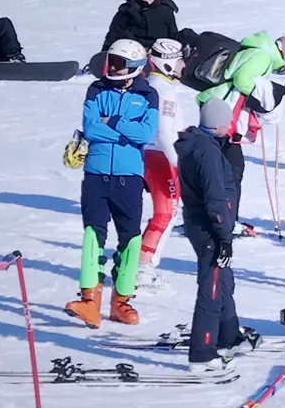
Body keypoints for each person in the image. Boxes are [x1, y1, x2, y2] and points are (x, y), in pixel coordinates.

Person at [65, 40, 160, 328]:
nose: (112, 67)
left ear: (134, 67)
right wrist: (120, 130)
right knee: (93, 235)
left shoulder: (148, 95)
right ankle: (89, 300)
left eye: (119, 63)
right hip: (96, 173)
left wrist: (114, 121)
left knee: (130, 239)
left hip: (129, 177)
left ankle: (121, 301)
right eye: (112, 61)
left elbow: (145, 133)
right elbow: (92, 127)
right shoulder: (96, 89)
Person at [176, 93, 244, 372]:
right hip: (209, 229)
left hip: (206, 224)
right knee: (212, 288)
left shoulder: (199, 144)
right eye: (226, 122)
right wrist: (223, 236)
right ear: (218, 124)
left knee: (224, 281)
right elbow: (216, 196)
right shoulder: (207, 152)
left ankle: (229, 337)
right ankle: (202, 351)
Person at [137, 38, 195, 280]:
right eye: (180, 59)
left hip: (150, 154)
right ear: (168, 62)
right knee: (167, 213)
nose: (183, 65)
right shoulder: (165, 90)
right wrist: (179, 164)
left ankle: (139, 261)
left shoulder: (151, 83)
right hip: (162, 156)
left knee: (165, 213)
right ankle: (143, 266)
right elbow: (165, 131)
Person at [200, 31, 285, 116]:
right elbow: (241, 80)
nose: (279, 70)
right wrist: (260, 96)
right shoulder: (263, 57)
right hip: (220, 103)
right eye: (284, 69)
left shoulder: (262, 52)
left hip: (217, 101)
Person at [102, 0, 180, 52]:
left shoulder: (165, 10)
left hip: (159, 51)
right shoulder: (127, 9)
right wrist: (104, 53)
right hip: (132, 51)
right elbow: (114, 32)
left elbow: (172, 35)